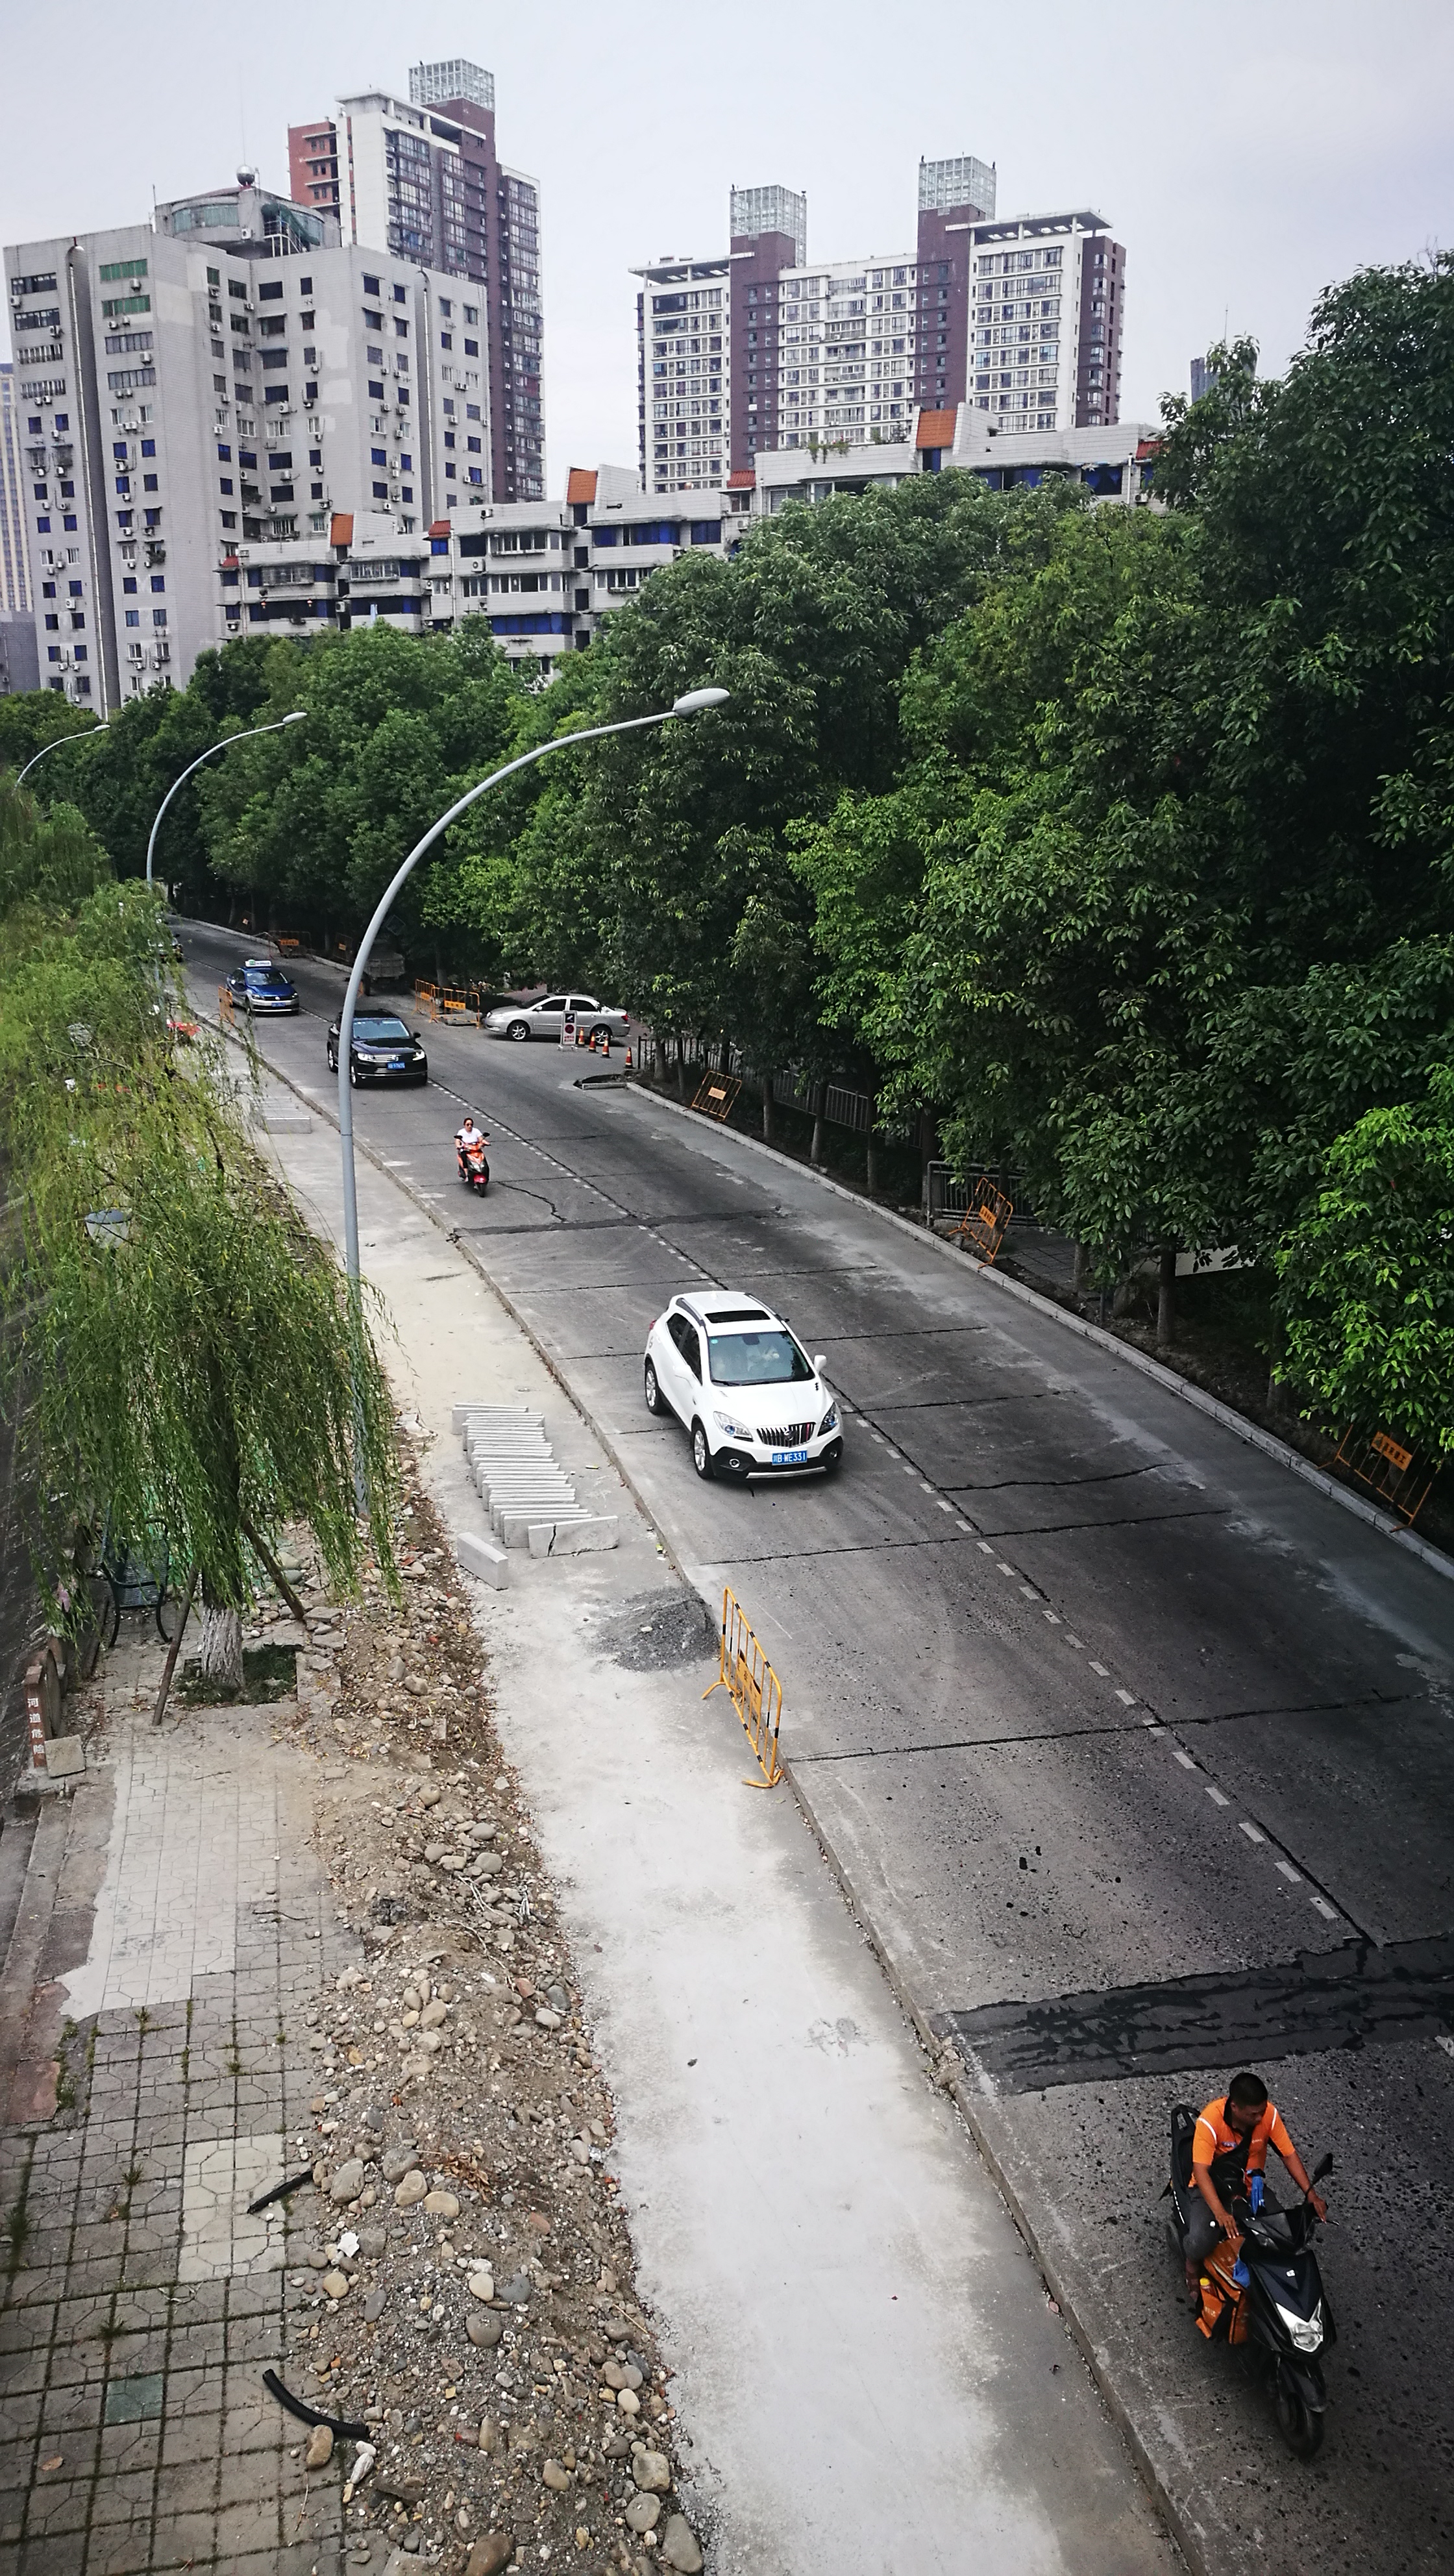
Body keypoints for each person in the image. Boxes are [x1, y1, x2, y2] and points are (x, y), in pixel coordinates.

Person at [1185, 2070, 1328, 2294]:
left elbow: (1288, 2155)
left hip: (1252, 2189)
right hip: (1212, 2190)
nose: (1260, 2118)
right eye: (1253, 2114)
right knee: (1202, 2240)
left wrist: (1311, 2194)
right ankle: (1191, 2265)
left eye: (1262, 2111)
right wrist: (1220, 2213)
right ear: (1234, 2107)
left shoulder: (1269, 2115)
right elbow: (1201, 2172)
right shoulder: (1210, 2121)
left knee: (1282, 2234)